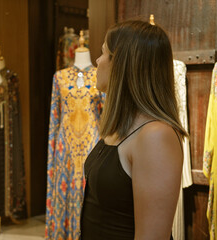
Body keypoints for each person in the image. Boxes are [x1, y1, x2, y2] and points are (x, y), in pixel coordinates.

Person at [80, 20, 188, 240]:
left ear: (121, 64)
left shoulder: (156, 136)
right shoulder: (121, 126)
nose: (98, 61)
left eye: (103, 53)